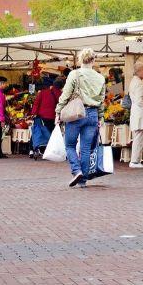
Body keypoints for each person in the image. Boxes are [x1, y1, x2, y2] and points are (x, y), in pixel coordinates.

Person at [56, 48, 106, 188]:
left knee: (70, 145)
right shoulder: (100, 78)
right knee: (86, 149)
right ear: (93, 60)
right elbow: (101, 100)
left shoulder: (74, 74)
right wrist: (100, 117)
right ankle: (82, 180)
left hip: (76, 113)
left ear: (80, 60)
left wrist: (58, 111)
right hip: (93, 114)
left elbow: (66, 95)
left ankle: (76, 170)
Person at [30, 78, 60, 158]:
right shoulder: (57, 92)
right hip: (52, 117)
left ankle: (33, 149)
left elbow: (36, 103)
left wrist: (33, 113)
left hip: (42, 117)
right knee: (50, 133)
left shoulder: (42, 93)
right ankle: (48, 149)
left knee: (38, 132)